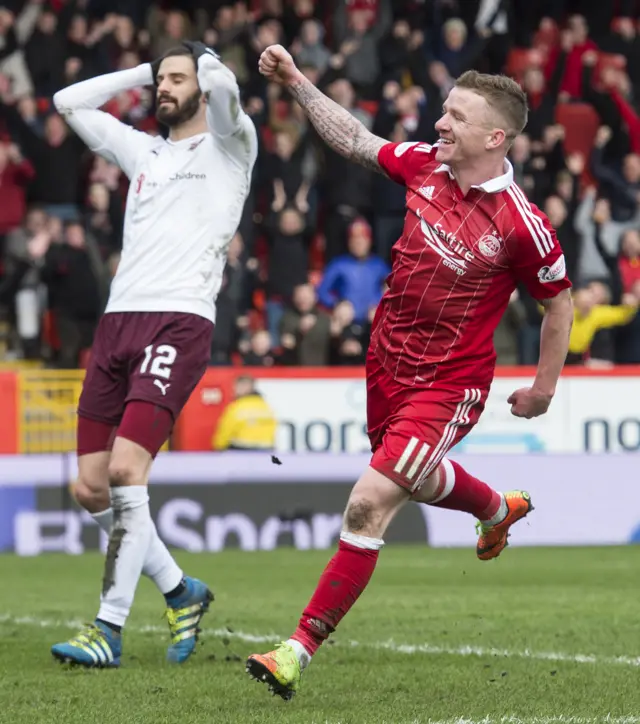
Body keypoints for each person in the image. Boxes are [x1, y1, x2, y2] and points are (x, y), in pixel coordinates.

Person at [246, 44, 574, 700]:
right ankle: (494, 508)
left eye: (455, 115)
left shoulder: (523, 227)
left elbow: (558, 302)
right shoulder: (425, 166)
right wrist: (297, 80)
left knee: (370, 503)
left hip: (449, 384)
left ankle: (295, 650)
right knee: (414, 480)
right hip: (385, 362)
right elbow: (357, 140)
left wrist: (543, 388)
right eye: (444, 109)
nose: (440, 122)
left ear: (495, 136)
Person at [49, 41, 258, 667]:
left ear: (204, 81)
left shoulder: (231, 143)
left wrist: (206, 63)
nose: (164, 88)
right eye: (159, 80)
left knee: (124, 472)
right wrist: (148, 69)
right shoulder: (142, 149)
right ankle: (179, 590)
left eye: (177, 79)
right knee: (89, 488)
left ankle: (107, 630)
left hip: (179, 320)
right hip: (118, 322)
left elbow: (225, 97)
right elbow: (67, 101)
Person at [212, 375, 277, 451]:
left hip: (242, 451)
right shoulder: (265, 407)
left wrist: (218, 447)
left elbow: (223, 435)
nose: (234, 390)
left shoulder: (237, 407)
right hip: (267, 450)